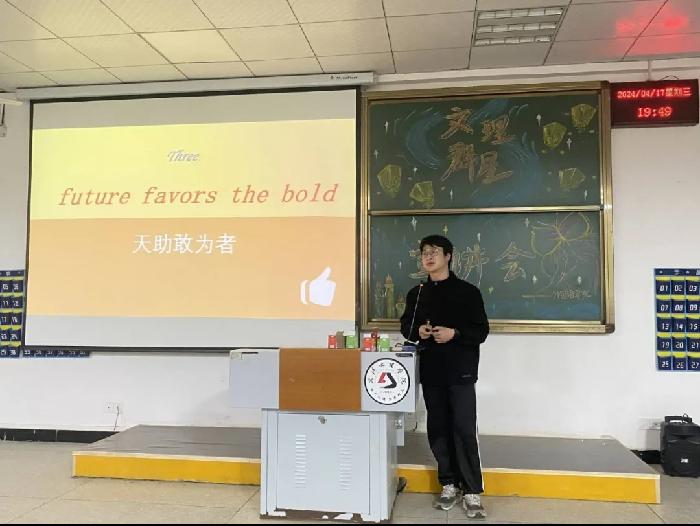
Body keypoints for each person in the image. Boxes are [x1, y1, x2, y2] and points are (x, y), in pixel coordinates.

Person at [400, 235, 489, 519]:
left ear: (448, 256)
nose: (428, 257)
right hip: (432, 371)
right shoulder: (417, 293)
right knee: (438, 429)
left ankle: (472, 490)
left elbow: (481, 331)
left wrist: (455, 334)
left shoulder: (468, 292)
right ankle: (448, 483)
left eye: (434, 252)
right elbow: (407, 327)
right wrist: (419, 332)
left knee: (463, 428)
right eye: (424, 252)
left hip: (461, 371)